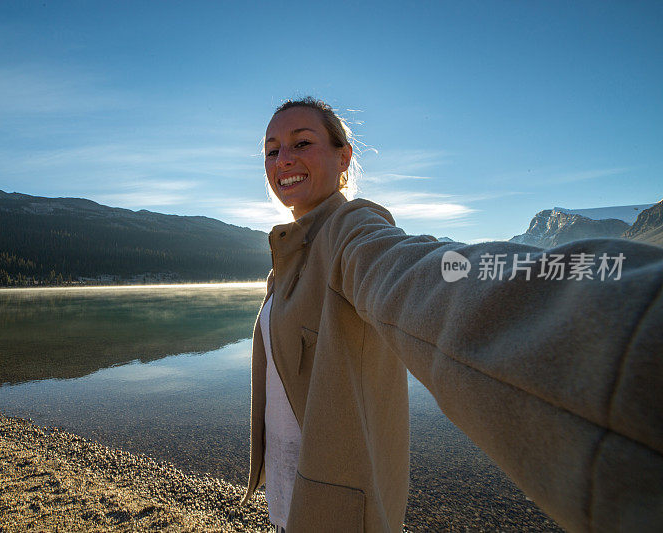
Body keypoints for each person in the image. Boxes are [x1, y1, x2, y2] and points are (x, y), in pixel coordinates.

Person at [241, 96, 663, 532]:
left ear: (343, 156)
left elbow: (419, 275)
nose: (284, 159)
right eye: (272, 150)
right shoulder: (288, 257)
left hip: (337, 508)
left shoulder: (351, 230)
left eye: (302, 142)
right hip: (289, 498)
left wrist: (626, 319)